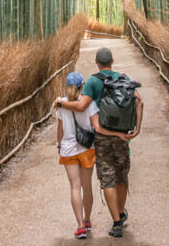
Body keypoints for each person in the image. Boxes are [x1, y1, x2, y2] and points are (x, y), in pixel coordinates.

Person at [57, 47, 143, 238]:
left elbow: (81, 106)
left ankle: (116, 222)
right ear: (112, 61)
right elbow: (140, 102)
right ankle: (120, 212)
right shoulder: (124, 79)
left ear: (96, 62)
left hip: (102, 139)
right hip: (122, 137)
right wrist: (137, 129)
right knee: (122, 176)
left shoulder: (93, 81)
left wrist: (60, 103)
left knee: (107, 179)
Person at [54, 71, 98, 239]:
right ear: (82, 85)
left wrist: (59, 145)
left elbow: (60, 128)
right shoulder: (89, 103)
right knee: (87, 187)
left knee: (74, 187)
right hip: (86, 149)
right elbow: (95, 125)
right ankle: (87, 220)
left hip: (68, 149)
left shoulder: (61, 104)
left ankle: (79, 226)